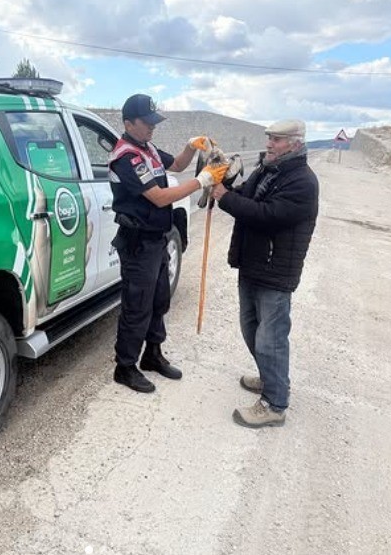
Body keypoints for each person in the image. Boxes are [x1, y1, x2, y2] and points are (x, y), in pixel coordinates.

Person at [109, 93, 228, 393]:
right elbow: (160, 197)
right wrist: (202, 181)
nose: (153, 126)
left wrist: (190, 146)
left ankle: (152, 354)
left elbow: (175, 165)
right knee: (137, 306)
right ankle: (125, 367)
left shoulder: (146, 148)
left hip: (157, 239)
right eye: (147, 122)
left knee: (159, 300)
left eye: (154, 121)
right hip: (138, 242)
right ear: (129, 123)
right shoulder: (127, 157)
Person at [211, 119, 319, 427]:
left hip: (275, 271)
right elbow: (246, 195)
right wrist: (224, 181)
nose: (269, 143)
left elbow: (267, 215)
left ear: (295, 144)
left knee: (270, 339)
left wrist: (224, 196)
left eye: (277, 139)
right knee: (251, 329)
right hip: (252, 265)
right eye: (269, 137)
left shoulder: (302, 181)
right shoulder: (268, 169)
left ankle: (275, 404)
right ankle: (270, 378)